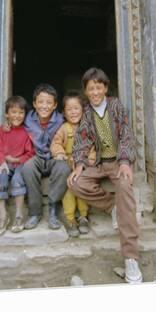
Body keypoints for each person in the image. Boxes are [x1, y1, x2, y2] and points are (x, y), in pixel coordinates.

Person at [68, 67, 143, 284]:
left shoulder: (116, 106)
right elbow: (82, 141)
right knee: (76, 183)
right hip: (100, 163)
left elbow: (127, 135)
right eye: (90, 89)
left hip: (118, 162)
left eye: (98, 87)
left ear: (105, 88)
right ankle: (112, 206)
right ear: (86, 91)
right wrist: (80, 164)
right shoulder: (87, 113)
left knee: (125, 187)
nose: (94, 92)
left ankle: (130, 258)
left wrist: (126, 162)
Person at [21, 83, 71, 230]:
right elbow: (14, 123)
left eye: (49, 102)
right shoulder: (27, 119)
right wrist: (7, 126)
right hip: (36, 157)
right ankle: (34, 213)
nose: (45, 106)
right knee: (28, 168)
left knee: (63, 168)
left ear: (55, 105)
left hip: (54, 157)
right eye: (41, 102)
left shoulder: (61, 120)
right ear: (34, 104)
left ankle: (53, 209)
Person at [50, 91, 95, 237]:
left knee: (81, 185)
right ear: (64, 112)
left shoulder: (88, 128)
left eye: (76, 108)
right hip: (69, 164)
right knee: (68, 187)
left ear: (83, 110)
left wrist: (90, 160)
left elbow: (94, 147)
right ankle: (70, 219)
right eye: (69, 109)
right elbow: (55, 144)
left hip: (83, 166)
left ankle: (83, 216)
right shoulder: (64, 128)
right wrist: (60, 154)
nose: (73, 112)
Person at [0, 95, 35, 235]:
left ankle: (19, 215)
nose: (17, 115)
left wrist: (17, 160)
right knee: (0, 176)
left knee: (18, 179)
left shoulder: (26, 131)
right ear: (7, 114)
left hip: (20, 164)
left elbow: (30, 153)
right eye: (13, 112)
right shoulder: (3, 130)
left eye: (21, 112)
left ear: (25, 115)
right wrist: (3, 162)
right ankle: (3, 215)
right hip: (7, 163)